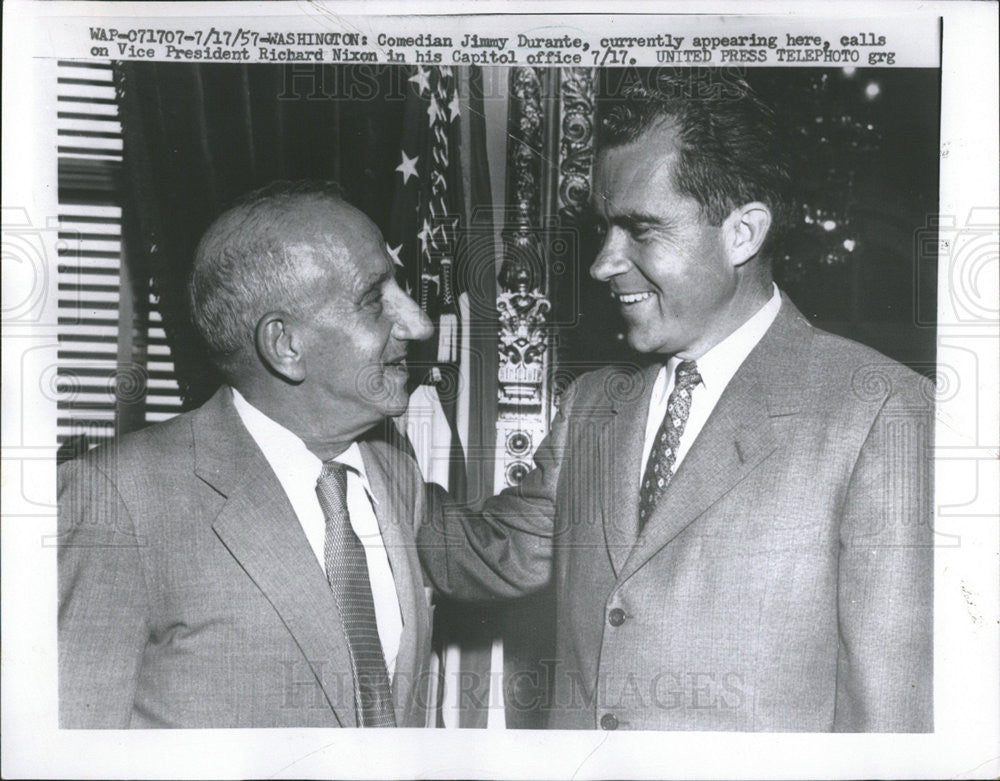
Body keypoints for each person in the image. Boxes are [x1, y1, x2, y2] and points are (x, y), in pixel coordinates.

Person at [419, 74, 934, 732]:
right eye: (606, 228)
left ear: (743, 233)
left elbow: (888, 721)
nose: (605, 262)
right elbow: (490, 552)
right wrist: (361, 464)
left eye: (641, 230)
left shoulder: (881, 413)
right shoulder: (591, 404)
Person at [58, 181, 436, 728]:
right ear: (285, 345)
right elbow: (72, 746)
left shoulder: (396, 474)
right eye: (375, 299)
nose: (418, 323)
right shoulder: (117, 498)